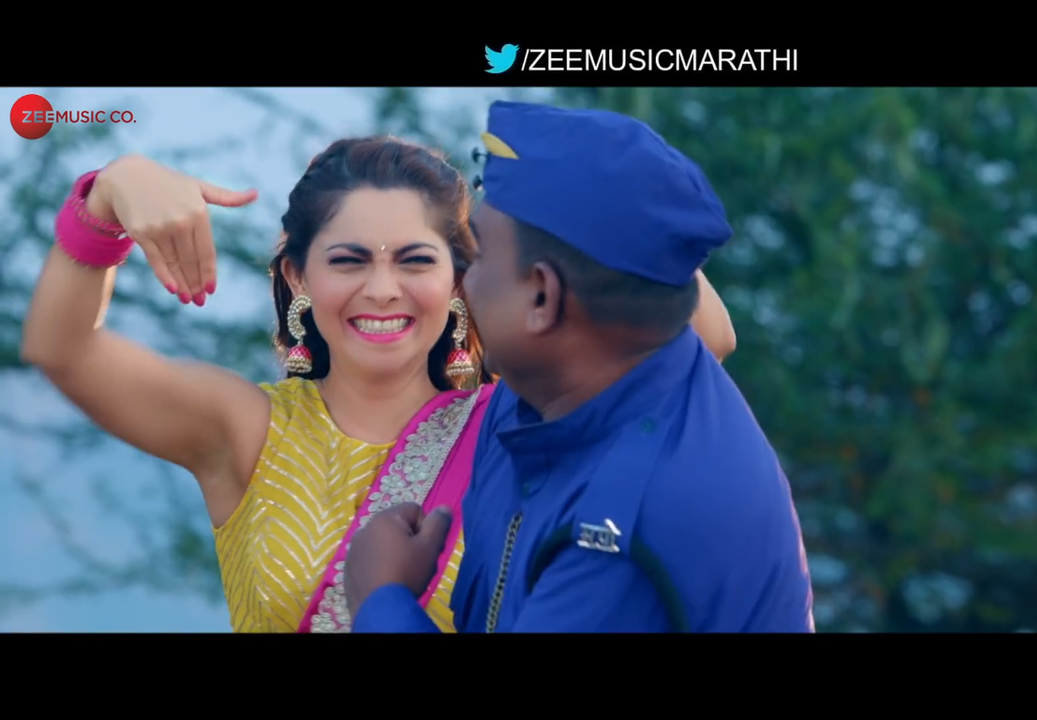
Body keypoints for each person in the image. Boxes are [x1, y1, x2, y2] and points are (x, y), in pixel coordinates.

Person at [19, 133, 738, 633]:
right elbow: (62, 350)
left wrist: (583, 189)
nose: (383, 289)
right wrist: (109, 195)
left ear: (461, 279)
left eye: (417, 261)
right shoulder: (246, 428)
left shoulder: (516, 428)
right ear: (299, 275)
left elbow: (705, 335)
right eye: (350, 260)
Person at [344, 101, 814, 632]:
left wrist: (380, 597)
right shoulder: (552, 389)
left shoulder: (628, 527)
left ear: (543, 296)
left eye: (480, 256)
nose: (464, 281)